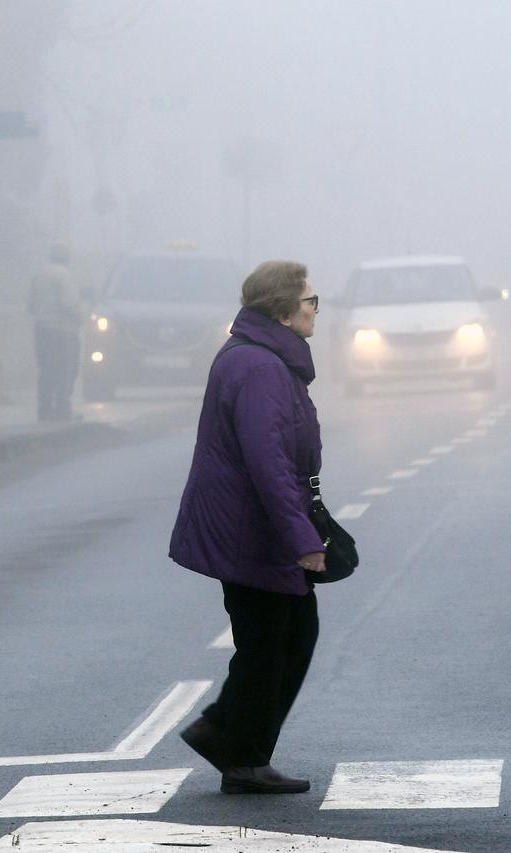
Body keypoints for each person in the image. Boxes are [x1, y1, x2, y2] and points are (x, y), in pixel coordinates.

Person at [169, 260, 326, 794]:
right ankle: (240, 753)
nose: (315, 310)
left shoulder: (261, 358)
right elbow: (268, 461)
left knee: (285, 636)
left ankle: (230, 740)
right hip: (250, 527)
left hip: (252, 522)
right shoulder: (259, 368)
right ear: (282, 312)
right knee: (271, 643)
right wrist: (302, 539)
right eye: (310, 301)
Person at [26, 243, 83, 420]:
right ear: (67, 258)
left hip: (42, 330)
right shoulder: (65, 276)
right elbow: (69, 304)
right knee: (65, 371)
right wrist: (81, 317)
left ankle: (44, 410)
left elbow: (30, 306)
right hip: (63, 331)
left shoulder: (39, 275)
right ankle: (63, 409)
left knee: (46, 370)